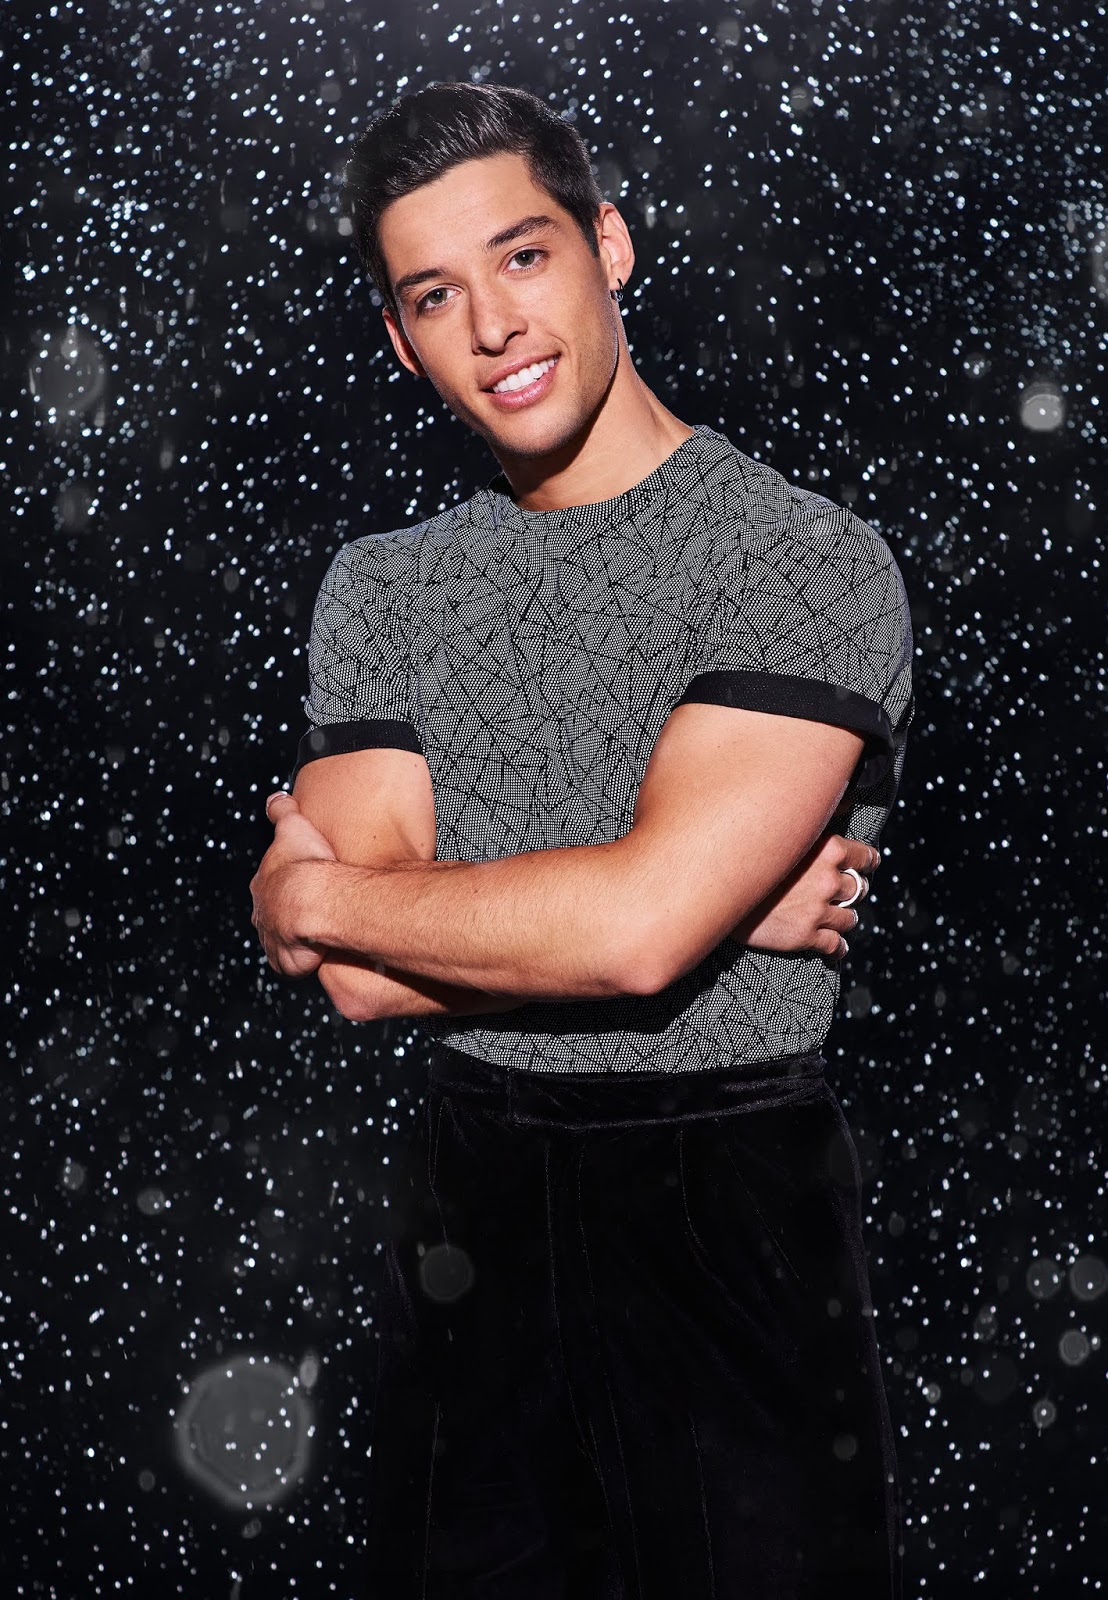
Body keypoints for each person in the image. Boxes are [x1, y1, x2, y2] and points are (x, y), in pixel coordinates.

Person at [250, 82, 912, 1599]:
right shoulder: (383, 589)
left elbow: (626, 938)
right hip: (470, 1236)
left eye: (524, 255)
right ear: (401, 341)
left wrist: (331, 896)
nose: (494, 325)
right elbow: (359, 980)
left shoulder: (804, 558)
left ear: (608, 245)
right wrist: (695, 901)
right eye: (436, 295)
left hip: (732, 1223)